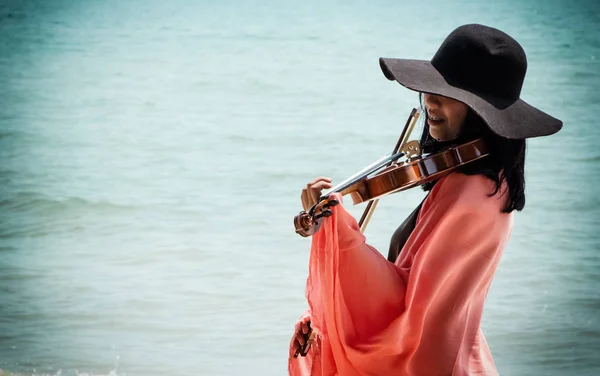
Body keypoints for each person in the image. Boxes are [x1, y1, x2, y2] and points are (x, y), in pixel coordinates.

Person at [287, 24, 562, 376]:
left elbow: (412, 313)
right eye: (430, 90)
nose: (430, 101)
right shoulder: (483, 184)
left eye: (447, 94)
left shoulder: (472, 194)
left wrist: (338, 231)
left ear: (482, 112)